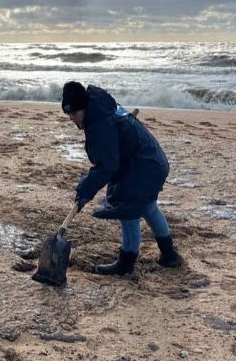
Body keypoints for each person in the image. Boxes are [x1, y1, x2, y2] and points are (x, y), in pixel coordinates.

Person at [62, 81, 182, 276]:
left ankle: (126, 264)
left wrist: (84, 190)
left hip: (143, 166)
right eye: (68, 114)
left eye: (74, 114)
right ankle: (169, 255)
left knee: (128, 210)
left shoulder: (100, 124)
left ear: (84, 108)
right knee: (149, 207)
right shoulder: (103, 108)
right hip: (153, 160)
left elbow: (106, 166)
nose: (71, 119)